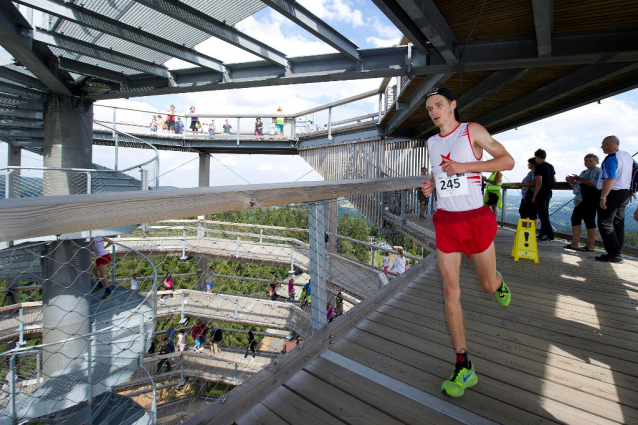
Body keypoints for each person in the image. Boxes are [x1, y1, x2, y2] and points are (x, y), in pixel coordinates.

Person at [420, 87, 514, 398]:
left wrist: (466, 167)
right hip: (447, 221)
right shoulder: (431, 142)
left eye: (439, 105)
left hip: (476, 218)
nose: (434, 111)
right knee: (450, 289)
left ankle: (499, 284)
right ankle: (463, 364)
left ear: (453, 106)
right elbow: (442, 173)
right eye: (429, 107)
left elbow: (507, 161)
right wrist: (432, 184)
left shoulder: (471, 131)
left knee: (487, 284)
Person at [596, 136, 636, 263]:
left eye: (602, 144)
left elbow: (609, 178)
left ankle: (614, 254)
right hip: (625, 193)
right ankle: (618, 251)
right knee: (618, 223)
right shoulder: (628, 157)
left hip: (612, 193)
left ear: (609, 143)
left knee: (605, 223)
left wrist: (603, 196)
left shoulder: (611, 158)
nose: (601, 146)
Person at [565, 154, 601, 252]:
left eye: (590, 160)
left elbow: (593, 183)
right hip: (580, 199)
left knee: (589, 220)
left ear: (596, 161)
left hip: (590, 199)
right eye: (586, 160)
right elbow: (578, 185)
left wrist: (578, 178)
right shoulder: (584, 172)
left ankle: (590, 246)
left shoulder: (597, 171)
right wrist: (572, 181)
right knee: (575, 219)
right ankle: (575, 243)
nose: (587, 162)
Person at [532, 148, 556, 241]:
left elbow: (539, 182)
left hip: (541, 194)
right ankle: (543, 233)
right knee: (545, 213)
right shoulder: (550, 166)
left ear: (538, 157)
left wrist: (535, 195)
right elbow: (554, 180)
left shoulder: (540, 167)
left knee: (543, 215)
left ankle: (549, 234)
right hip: (548, 192)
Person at [515, 158, 538, 228]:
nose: (528, 164)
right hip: (526, 196)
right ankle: (525, 228)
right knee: (523, 212)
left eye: (529, 163)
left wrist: (521, 185)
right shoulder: (530, 173)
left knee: (532, 214)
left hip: (531, 196)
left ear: (533, 164)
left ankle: (531, 230)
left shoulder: (535, 173)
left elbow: (533, 183)